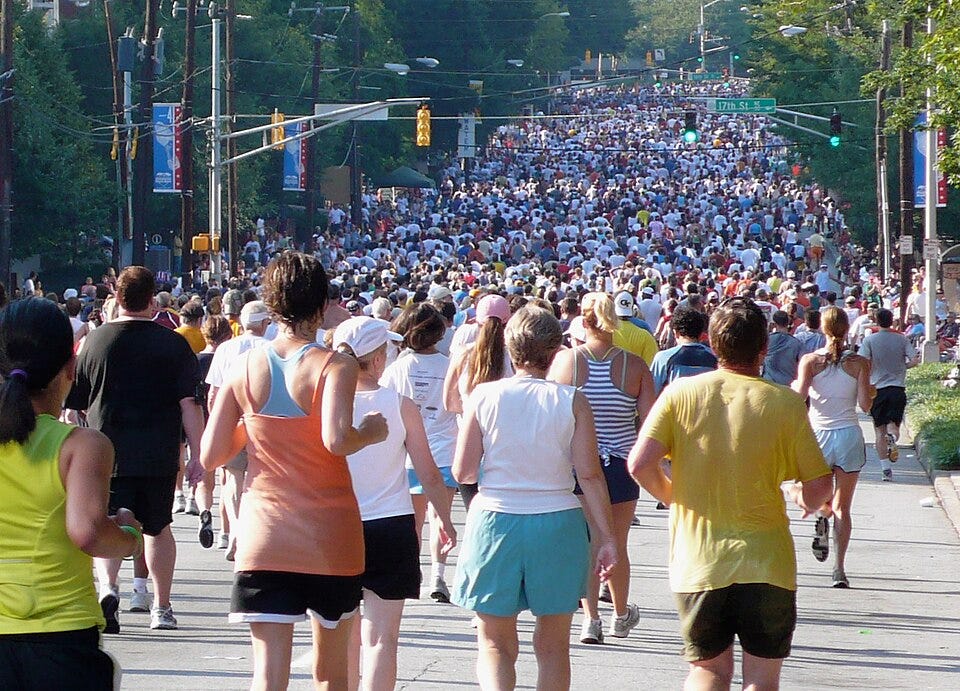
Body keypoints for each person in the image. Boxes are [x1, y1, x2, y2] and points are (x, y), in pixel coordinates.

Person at [200, 252, 387, 690]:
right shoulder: (335, 364)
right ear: (321, 304)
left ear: (272, 303)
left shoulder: (244, 366)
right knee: (331, 673)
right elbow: (336, 439)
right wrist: (370, 432)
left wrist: (255, 426)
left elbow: (210, 455)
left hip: (265, 533)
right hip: (329, 533)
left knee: (267, 675)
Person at [628, 297, 833, 691]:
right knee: (762, 679)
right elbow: (820, 485)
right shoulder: (785, 403)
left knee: (708, 670)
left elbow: (639, 464)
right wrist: (804, 499)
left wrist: (673, 497)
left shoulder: (680, 394)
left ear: (713, 344)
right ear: (764, 348)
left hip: (699, 558)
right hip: (767, 562)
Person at [452, 305, 618, 690]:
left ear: (510, 350)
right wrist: (608, 537)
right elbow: (590, 475)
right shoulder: (573, 400)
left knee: (494, 643)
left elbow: (464, 472)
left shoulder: (483, 395)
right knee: (554, 646)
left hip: (495, 519)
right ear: (556, 351)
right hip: (558, 520)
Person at [0, 298, 144, 689]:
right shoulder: (82, 445)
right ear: (70, 367)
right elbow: (88, 532)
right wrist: (130, 537)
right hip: (60, 635)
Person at [66, 266, 204, 633]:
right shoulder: (174, 344)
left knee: (109, 523)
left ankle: (109, 590)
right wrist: (198, 455)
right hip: (159, 452)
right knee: (158, 528)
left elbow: (74, 407)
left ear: (117, 297)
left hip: (105, 453)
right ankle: (161, 606)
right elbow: (190, 405)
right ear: (152, 299)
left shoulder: (95, 342)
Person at [333, 317, 457, 691]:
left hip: (338, 522)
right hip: (391, 523)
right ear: (377, 359)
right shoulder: (400, 405)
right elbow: (428, 473)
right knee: (382, 638)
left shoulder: (324, 405)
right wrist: (445, 519)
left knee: (342, 636)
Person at [547, 292, 653, 645]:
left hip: (580, 464)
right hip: (621, 465)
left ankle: (590, 619)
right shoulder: (634, 366)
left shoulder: (567, 362)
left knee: (589, 542)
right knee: (617, 542)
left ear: (583, 321)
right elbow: (649, 423)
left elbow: (553, 416)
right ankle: (620, 615)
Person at [381, 303, 460, 603]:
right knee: (441, 516)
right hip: (444, 450)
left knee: (412, 520)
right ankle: (438, 575)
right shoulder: (449, 366)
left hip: (408, 455)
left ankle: (412, 572)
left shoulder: (398, 368)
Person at [792, 307, 874, 588]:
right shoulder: (860, 363)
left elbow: (798, 399)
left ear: (821, 329)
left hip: (818, 436)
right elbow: (865, 405)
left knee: (811, 494)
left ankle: (821, 513)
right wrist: (869, 391)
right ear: (847, 329)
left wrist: (796, 386)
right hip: (849, 435)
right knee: (844, 506)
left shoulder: (810, 361)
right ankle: (839, 569)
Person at [203, 300, 273, 558]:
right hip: (265, 422)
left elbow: (214, 393)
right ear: (265, 323)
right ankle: (253, 533)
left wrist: (216, 423)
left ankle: (235, 530)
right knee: (262, 480)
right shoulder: (272, 348)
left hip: (232, 419)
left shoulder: (226, 348)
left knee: (233, 479)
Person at [443, 293, 514, 510]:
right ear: (507, 322)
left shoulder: (463, 354)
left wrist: (468, 411)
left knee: (474, 512)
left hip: (468, 440)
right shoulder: (513, 357)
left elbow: (448, 402)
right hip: (505, 443)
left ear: (477, 321)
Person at [859, 308, 919, 481]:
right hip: (897, 388)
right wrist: (903, 367)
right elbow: (915, 360)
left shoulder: (869, 340)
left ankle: (886, 470)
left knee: (879, 431)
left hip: (877, 389)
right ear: (892, 321)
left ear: (876, 321)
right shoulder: (902, 339)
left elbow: (862, 361)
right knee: (894, 425)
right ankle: (892, 437)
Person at [649, 306, 717, 396]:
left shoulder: (663, 358)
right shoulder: (714, 357)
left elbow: (652, 392)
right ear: (701, 334)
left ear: (675, 333)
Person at [762, 310, 803, 385]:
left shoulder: (766, 340)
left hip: (769, 383)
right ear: (788, 323)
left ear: (774, 324)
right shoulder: (797, 343)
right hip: (787, 384)